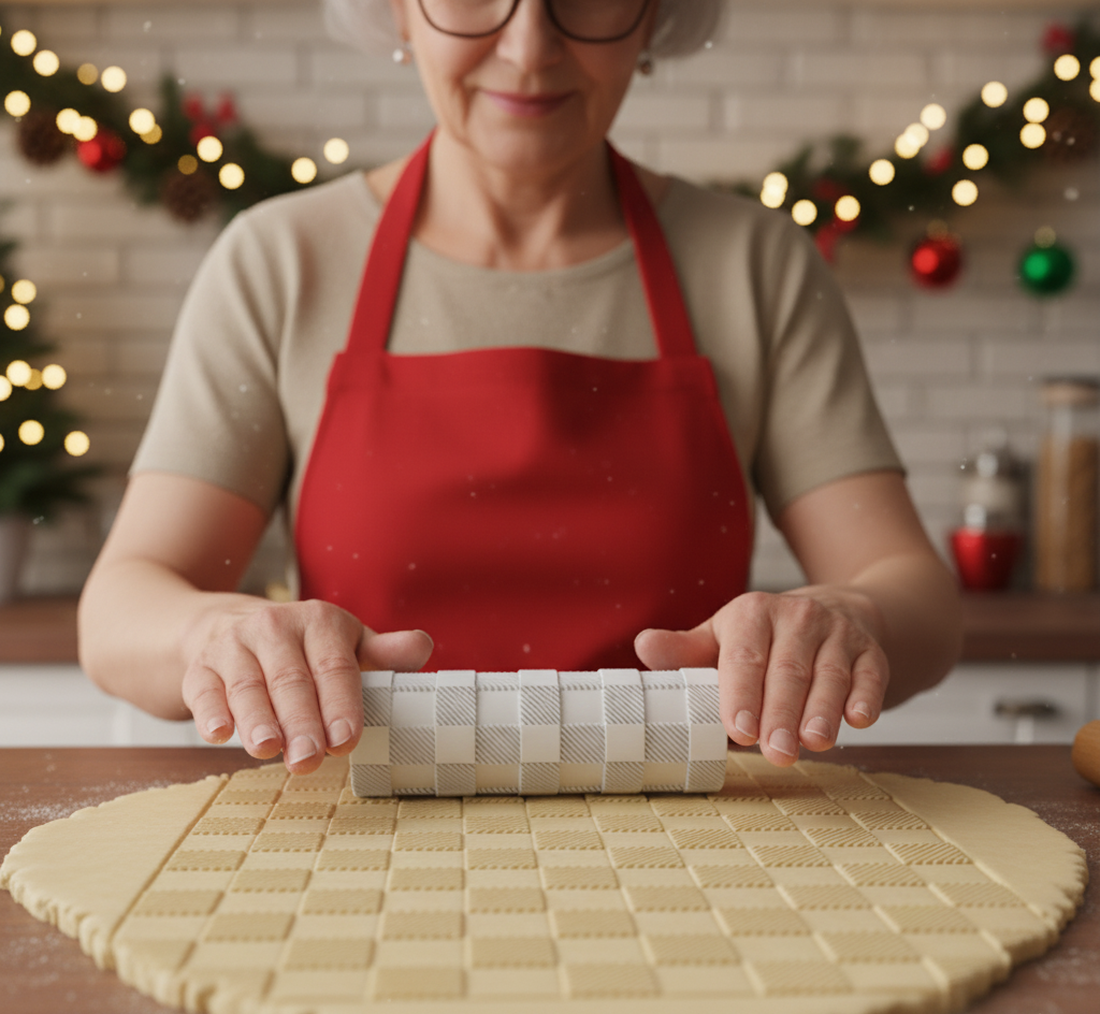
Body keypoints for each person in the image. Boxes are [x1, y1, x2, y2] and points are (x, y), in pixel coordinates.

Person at [78, 0, 962, 777]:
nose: (530, 45)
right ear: (398, 11)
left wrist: (851, 615)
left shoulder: (755, 265)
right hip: (368, 842)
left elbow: (915, 594)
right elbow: (123, 608)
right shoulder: (279, 262)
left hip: (693, 844)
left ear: (653, 17)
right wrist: (212, 636)